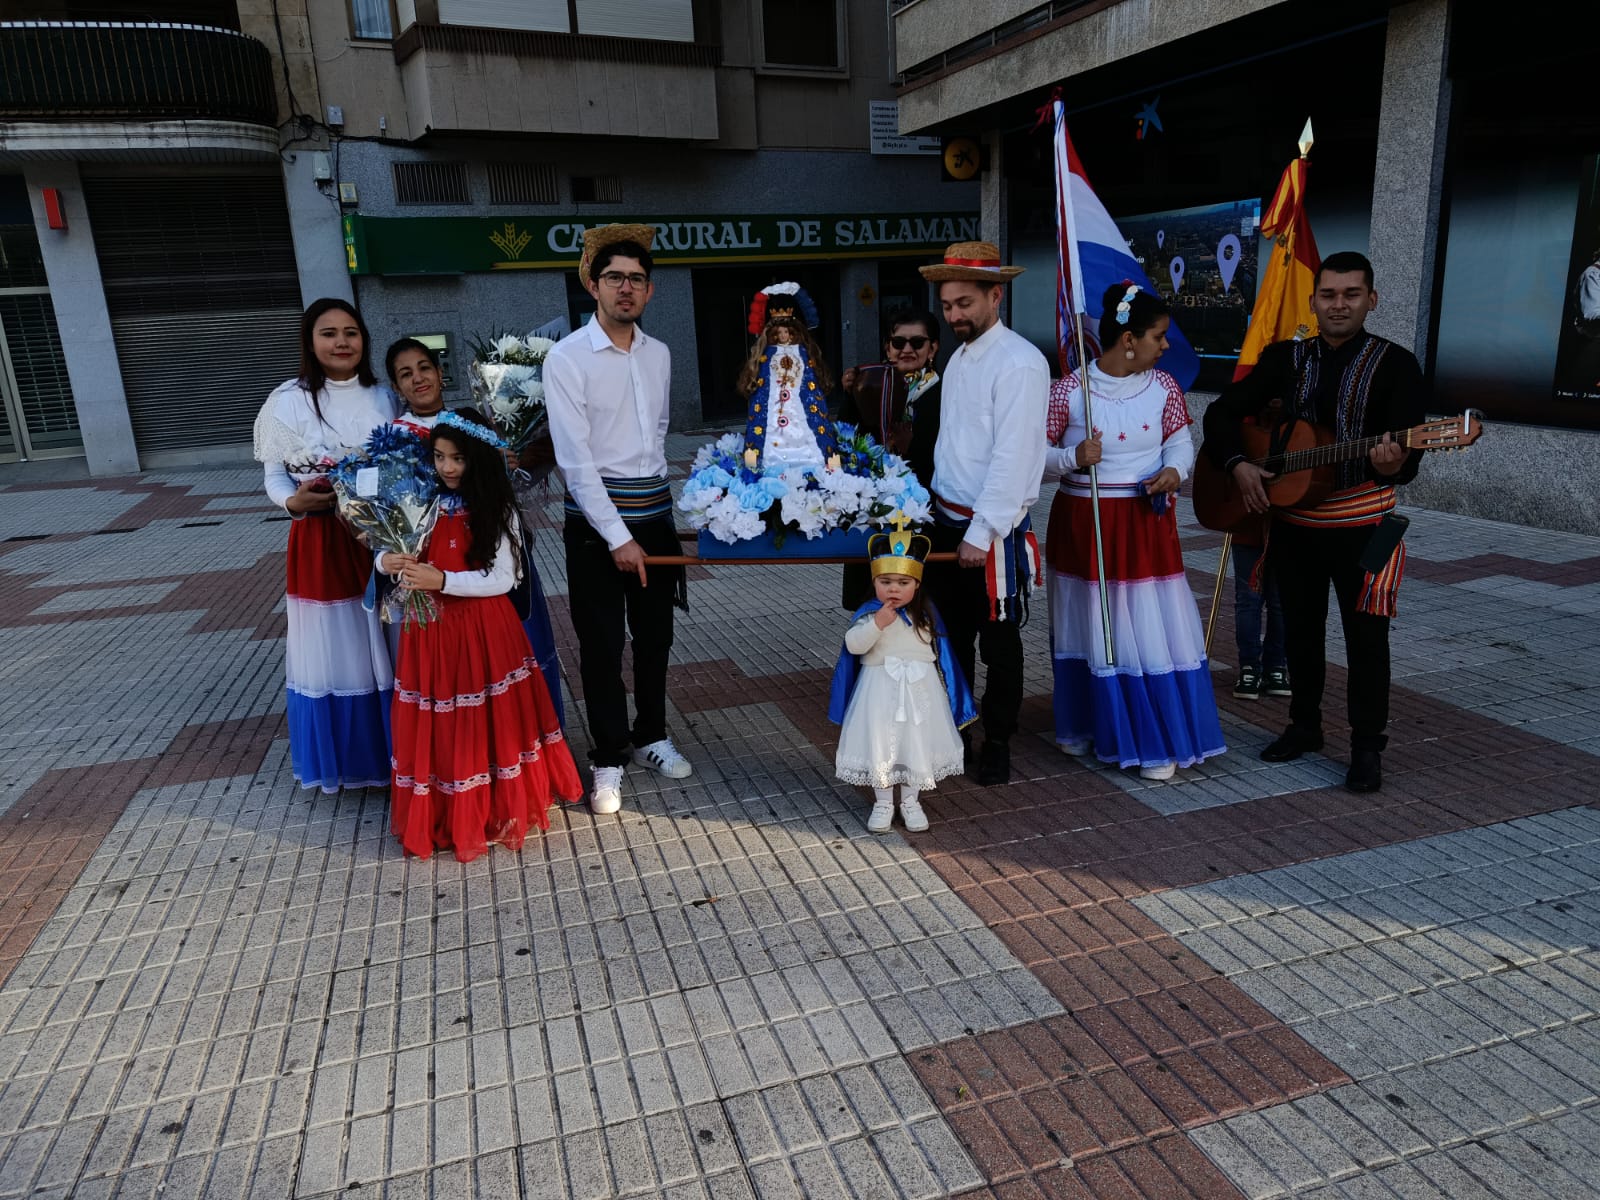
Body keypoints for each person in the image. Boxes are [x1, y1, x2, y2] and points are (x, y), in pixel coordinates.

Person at [1203, 251, 1426, 793]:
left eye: (1351, 294)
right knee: (1300, 632)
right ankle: (1304, 727)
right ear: (1313, 300)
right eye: (1329, 295)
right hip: (1296, 524)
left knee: (1367, 640)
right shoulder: (1286, 358)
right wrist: (1239, 465)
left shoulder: (1397, 365)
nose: (1339, 304)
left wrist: (1397, 461)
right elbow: (1220, 412)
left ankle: (1367, 748)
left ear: (1371, 300)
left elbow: (1409, 453)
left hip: (1364, 525)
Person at [379, 410, 582, 860]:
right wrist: (386, 561)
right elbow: (393, 548)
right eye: (438, 457)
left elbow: (503, 578)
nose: (447, 468)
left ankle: (494, 807)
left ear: (481, 460)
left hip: (484, 634)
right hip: (431, 634)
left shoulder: (498, 506)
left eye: (458, 459)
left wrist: (443, 581)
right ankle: (449, 810)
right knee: (445, 724)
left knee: (487, 723)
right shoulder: (422, 502)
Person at [1044, 283, 1226, 780]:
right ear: (1128, 339)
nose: (1165, 346)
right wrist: (1069, 458)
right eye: (1159, 336)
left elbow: (1181, 442)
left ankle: (1152, 738)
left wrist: (1175, 471)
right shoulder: (1067, 391)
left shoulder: (1164, 387)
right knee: (1089, 621)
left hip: (1143, 521)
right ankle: (1087, 725)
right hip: (1085, 522)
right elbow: (1032, 460)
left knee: (1142, 624)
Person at [545, 224, 691, 815]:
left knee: (656, 637)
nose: (625, 289)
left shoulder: (659, 355)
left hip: (653, 519)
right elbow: (575, 463)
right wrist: (618, 537)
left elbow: (656, 434)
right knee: (602, 644)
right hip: (595, 528)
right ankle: (608, 756)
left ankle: (652, 733)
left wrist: (652, 522)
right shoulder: (568, 358)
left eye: (635, 280)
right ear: (592, 285)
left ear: (649, 291)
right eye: (614, 279)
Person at [917, 241, 1050, 785]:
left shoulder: (1020, 362)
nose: (954, 316)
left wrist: (981, 531)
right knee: (949, 638)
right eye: (948, 305)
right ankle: (958, 731)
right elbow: (957, 444)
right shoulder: (961, 356)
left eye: (964, 303)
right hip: (948, 524)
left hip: (989, 533)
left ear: (996, 295)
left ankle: (997, 740)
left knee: (999, 643)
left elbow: (1014, 456)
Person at [380, 337, 566, 725]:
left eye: (424, 368)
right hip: (432, 582)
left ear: (440, 373)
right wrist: (384, 558)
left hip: (484, 558)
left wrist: (508, 462)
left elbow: (506, 491)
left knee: (507, 658)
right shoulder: (392, 440)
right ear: (396, 388)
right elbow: (387, 522)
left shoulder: (478, 425)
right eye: (405, 374)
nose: (418, 379)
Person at [254, 298, 396, 793]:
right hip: (317, 541)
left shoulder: (385, 397)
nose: (341, 342)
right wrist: (294, 504)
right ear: (310, 342)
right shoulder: (285, 400)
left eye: (351, 332)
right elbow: (273, 475)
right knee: (336, 647)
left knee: (386, 640)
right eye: (329, 333)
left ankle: (398, 754)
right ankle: (352, 759)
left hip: (379, 539)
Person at [829, 520, 976, 833]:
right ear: (875, 581)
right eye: (886, 581)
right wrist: (877, 624)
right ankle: (883, 802)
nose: (893, 588)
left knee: (915, 741)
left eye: (902, 582)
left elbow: (942, 653)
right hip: (879, 691)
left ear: (916, 584)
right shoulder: (870, 613)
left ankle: (911, 801)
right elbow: (854, 646)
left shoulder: (926, 615)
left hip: (919, 692)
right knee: (881, 742)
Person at [836, 307, 943, 610]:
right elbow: (845, 443)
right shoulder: (866, 384)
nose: (907, 349)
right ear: (887, 347)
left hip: (926, 516)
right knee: (872, 611)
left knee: (924, 608)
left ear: (932, 348)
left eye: (917, 342)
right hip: (873, 517)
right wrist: (850, 396)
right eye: (898, 343)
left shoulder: (947, 392)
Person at [737, 282, 838, 470]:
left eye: (786, 331)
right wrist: (763, 297)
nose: (783, 335)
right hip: (775, 404)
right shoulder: (767, 354)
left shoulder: (802, 352)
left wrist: (799, 293)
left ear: (793, 332)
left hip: (798, 401)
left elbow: (813, 320)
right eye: (779, 332)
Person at [1230, 526, 1290, 701]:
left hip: (1268, 527)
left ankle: (1267, 666)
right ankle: (1263, 666)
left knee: (1258, 601)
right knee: (1255, 601)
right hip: (1252, 527)